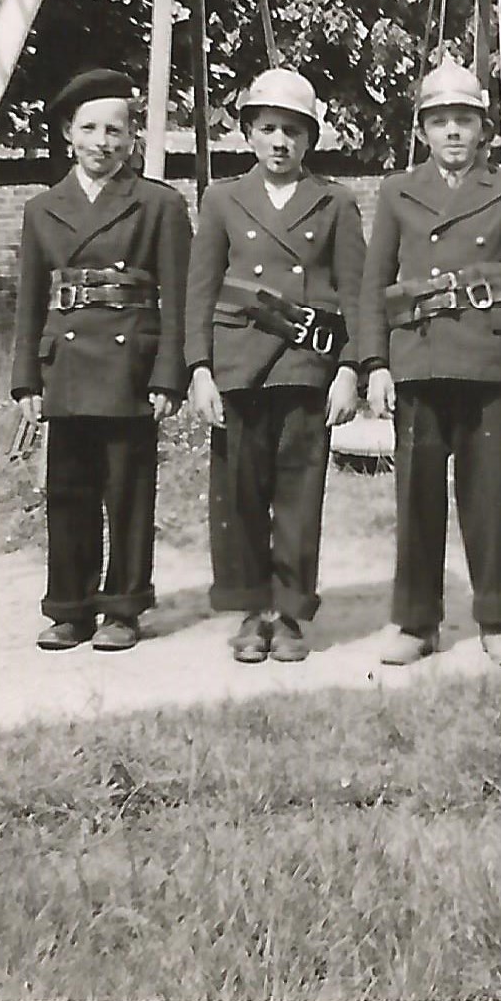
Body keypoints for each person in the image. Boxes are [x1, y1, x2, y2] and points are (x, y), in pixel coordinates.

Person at [356, 58, 501, 668]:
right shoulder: (396, 191)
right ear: (422, 130)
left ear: (482, 128)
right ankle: (417, 622)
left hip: (489, 360)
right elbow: (373, 284)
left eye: (464, 121)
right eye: (440, 121)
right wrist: (376, 363)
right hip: (417, 359)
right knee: (417, 497)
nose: (452, 133)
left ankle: (497, 619)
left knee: (491, 497)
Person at [186, 68, 365, 664]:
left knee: (298, 492)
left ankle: (288, 611)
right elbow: (201, 288)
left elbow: (356, 291)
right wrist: (199, 369)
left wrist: (349, 368)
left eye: (292, 130)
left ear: (310, 138)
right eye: (267, 129)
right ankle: (248, 610)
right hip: (237, 361)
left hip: (304, 365)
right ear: (248, 135)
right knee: (238, 494)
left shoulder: (336, 202)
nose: (280, 142)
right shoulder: (221, 199)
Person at [11, 69, 192, 653]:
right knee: (67, 489)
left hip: (130, 368)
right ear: (69, 133)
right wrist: (24, 378)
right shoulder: (42, 210)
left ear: (132, 138)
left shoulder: (159, 205)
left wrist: (171, 373)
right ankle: (69, 606)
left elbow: (180, 297)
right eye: (89, 128)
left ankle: (123, 607)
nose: (102, 141)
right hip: (65, 365)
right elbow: (30, 300)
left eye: (116, 130)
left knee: (129, 491)